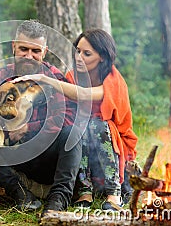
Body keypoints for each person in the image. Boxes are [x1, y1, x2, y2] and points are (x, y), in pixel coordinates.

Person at [13, 28, 138, 211]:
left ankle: (114, 192)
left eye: (86, 54)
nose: (79, 57)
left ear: (102, 57)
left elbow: (85, 94)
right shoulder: (73, 76)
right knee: (77, 126)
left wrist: (45, 79)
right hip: (84, 138)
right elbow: (67, 112)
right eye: (77, 51)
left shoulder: (112, 78)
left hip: (112, 139)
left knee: (95, 125)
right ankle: (84, 189)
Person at [0, 20, 83, 215]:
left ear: (45, 52)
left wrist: (26, 128)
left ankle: (58, 200)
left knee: (72, 133)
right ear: (14, 46)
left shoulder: (54, 78)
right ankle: (21, 194)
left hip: (48, 158)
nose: (29, 56)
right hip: (16, 160)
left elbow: (67, 117)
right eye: (23, 49)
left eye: (36, 51)